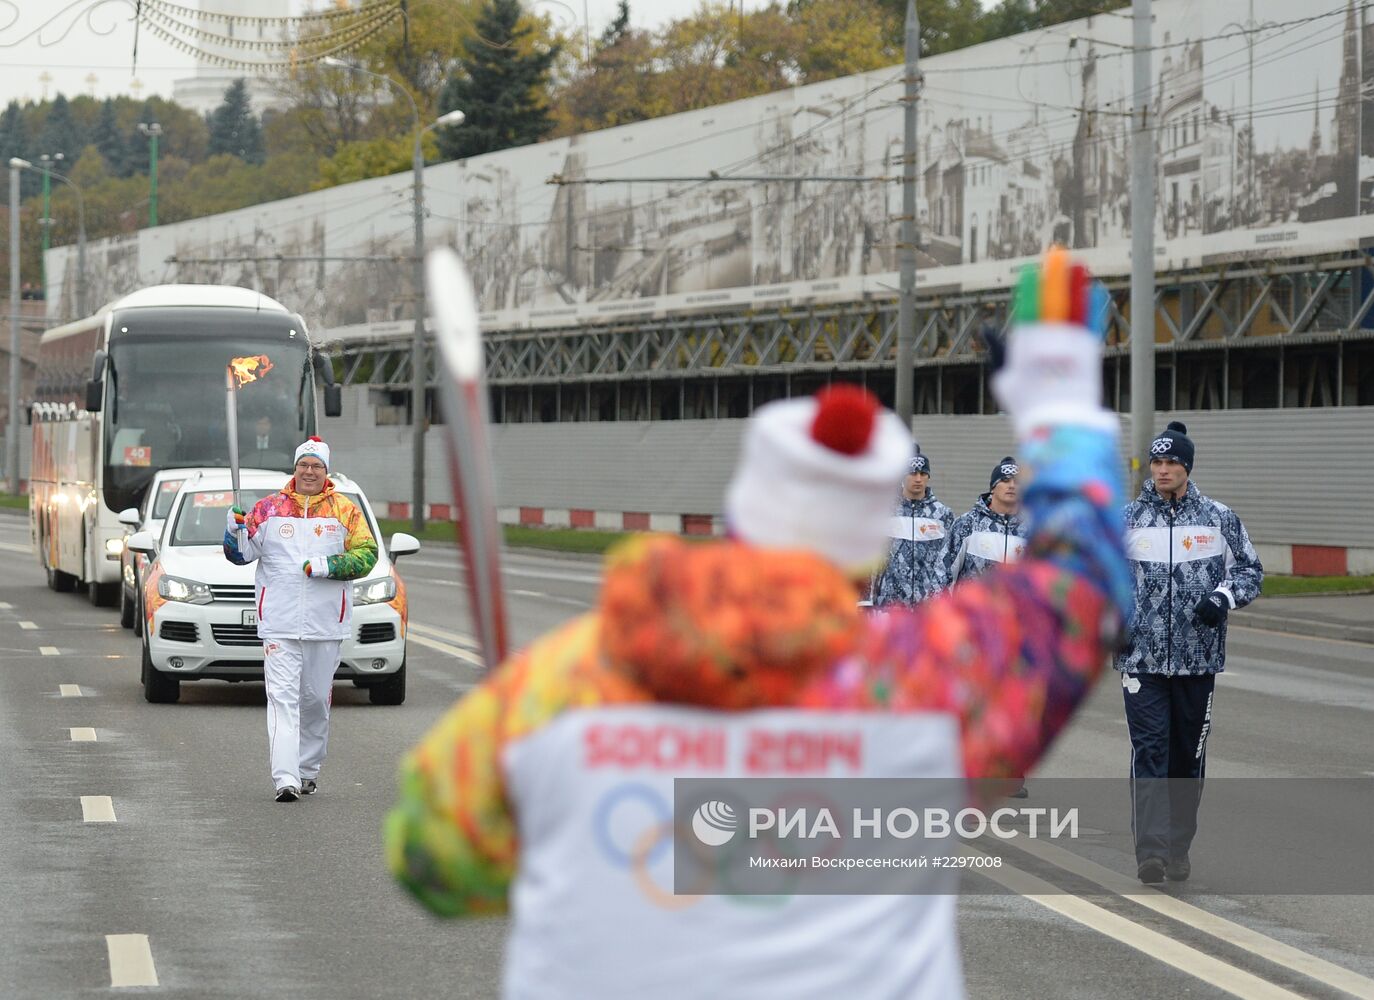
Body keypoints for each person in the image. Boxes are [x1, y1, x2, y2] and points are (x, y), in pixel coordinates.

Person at [383, 249, 1132, 998]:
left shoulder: (562, 684)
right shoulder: (922, 686)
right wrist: (1057, 397)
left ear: (740, 516)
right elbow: (1084, 589)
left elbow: (433, 862)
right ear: (867, 556)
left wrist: (543, 849)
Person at [1118, 420, 1263, 884]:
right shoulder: (1127, 520)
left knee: (1186, 759)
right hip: (1140, 660)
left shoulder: (1218, 519)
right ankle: (1152, 853)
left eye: (1171, 463)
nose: (1162, 470)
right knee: (1150, 751)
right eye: (1156, 462)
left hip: (1197, 658)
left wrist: (1221, 599)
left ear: (1187, 466)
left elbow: (1250, 572)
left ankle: (1178, 845)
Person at [224, 436, 378, 802]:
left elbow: (367, 555)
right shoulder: (268, 509)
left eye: (316, 466)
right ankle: (285, 778)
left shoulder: (345, 511)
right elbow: (240, 556)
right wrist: (233, 531)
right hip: (279, 622)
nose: (309, 472)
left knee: (314, 701)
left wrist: (327, 566)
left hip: (326, 624)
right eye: (303, 465)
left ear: (327, 471)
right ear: (294, 469)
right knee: (281, 700)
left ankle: (307, 769)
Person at [871, 450, 955, 608]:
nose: (918, 479)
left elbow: (945, 565)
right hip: (888, 607)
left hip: (927, 611)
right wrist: (867, 602)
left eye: (923, 474)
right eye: (912, 473)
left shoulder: (942, 515)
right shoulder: (884, 510)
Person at [941, 456, 1028, 587]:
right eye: (1005, 480)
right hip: (972, 607)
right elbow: (944, 574)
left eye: (1016, 482)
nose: (1011, 485)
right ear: (992, 488)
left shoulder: (1030, 530)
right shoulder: (967, 524)